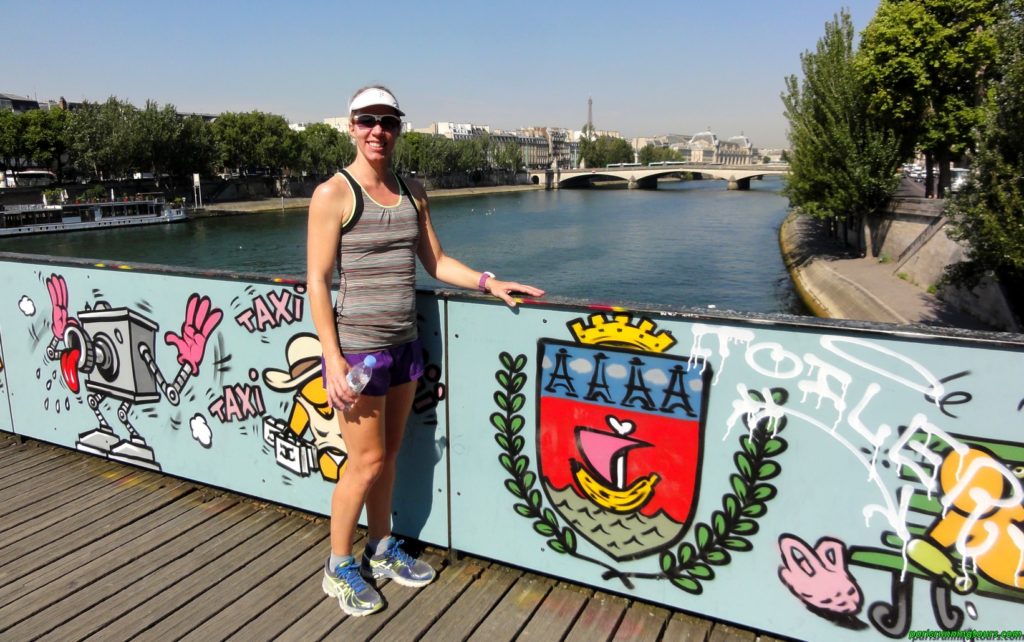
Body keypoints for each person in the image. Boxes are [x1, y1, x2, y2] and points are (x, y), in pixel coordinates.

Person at [307, 85, 545, 617]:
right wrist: (332, 357)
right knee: (363, 463)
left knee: (390, 456)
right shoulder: (333, 194)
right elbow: (318, 282)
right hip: (360, 351)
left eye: (388, 121)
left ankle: (382, 545)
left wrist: (489, 281)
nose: (377, 131)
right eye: (367, 120)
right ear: (350, 126)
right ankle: (338, 564)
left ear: (398, 129)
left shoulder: (414, 191)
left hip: (404, 346)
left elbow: (435, 261)